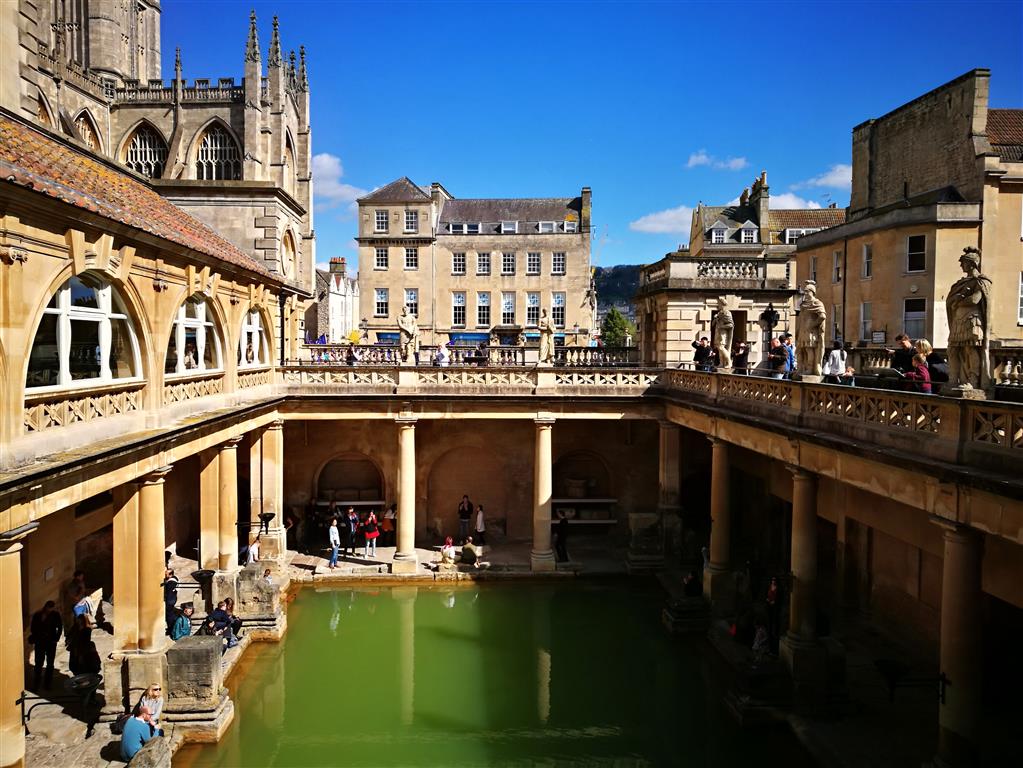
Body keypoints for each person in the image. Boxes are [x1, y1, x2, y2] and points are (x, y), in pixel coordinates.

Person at [29, 600, 62, 689]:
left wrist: (56, 638)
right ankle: (36, 684)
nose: (50, 610)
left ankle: (47, 684)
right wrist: (38, 634)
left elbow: (60, 627)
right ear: (46, 607)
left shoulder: (55, 615)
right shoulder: (38, 614)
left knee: (50, 664)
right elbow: (33, 628)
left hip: (51, 642)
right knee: (38, 663)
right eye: (49, 608)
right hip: (40, 642)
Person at [161, 568, 178, 637]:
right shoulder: (172, 580)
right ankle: (171, 629)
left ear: (170, 575)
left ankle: (171, 630)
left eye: (166, 574)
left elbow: (168, 592)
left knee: (169, 616)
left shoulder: (171, 582)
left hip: (170, 600)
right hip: (171, 600)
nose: (165, 575)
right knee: (170, 615)